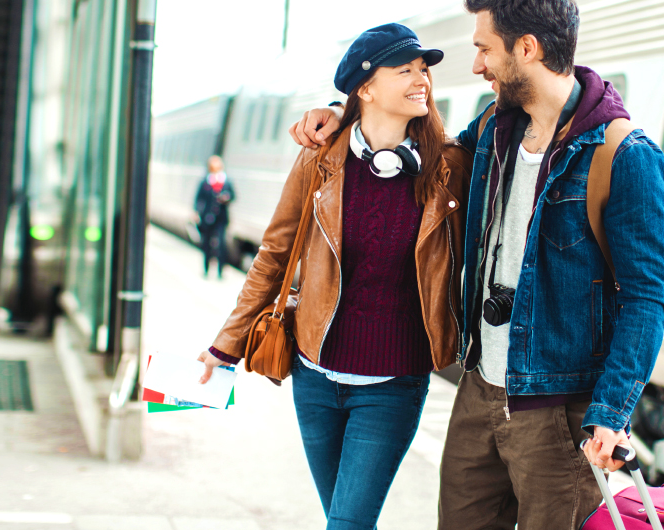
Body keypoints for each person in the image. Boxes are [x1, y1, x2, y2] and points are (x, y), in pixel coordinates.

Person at [289, 1, 664, 528]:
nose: (477, 65)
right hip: (480, 389)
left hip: (556, 410)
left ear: (527, 49)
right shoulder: (496, 128)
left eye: (484, 49)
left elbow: (647, 298)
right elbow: (418, 150)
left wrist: (610, 412)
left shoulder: (624, 155)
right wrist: (343, 115)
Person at [199, 23, 471, 530]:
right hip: (315, 377)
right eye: (405, 70)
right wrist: (226, 342)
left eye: (423, 70)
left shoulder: (450, 165)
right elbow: (275, 253)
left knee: (345, 525)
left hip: (393, 384)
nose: (422, 80)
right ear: (365, 89)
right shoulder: (320, 159)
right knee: (344, 521)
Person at [193, 155, 235, 279]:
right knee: (206, 243)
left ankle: (220, 270)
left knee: (221, 244)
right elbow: (198, 199)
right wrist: (197, 212)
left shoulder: (226, 181)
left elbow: (233, 196)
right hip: (207, 218)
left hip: (221, 218)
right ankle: (206, 268)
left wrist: (227, 198)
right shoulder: (205, 181)